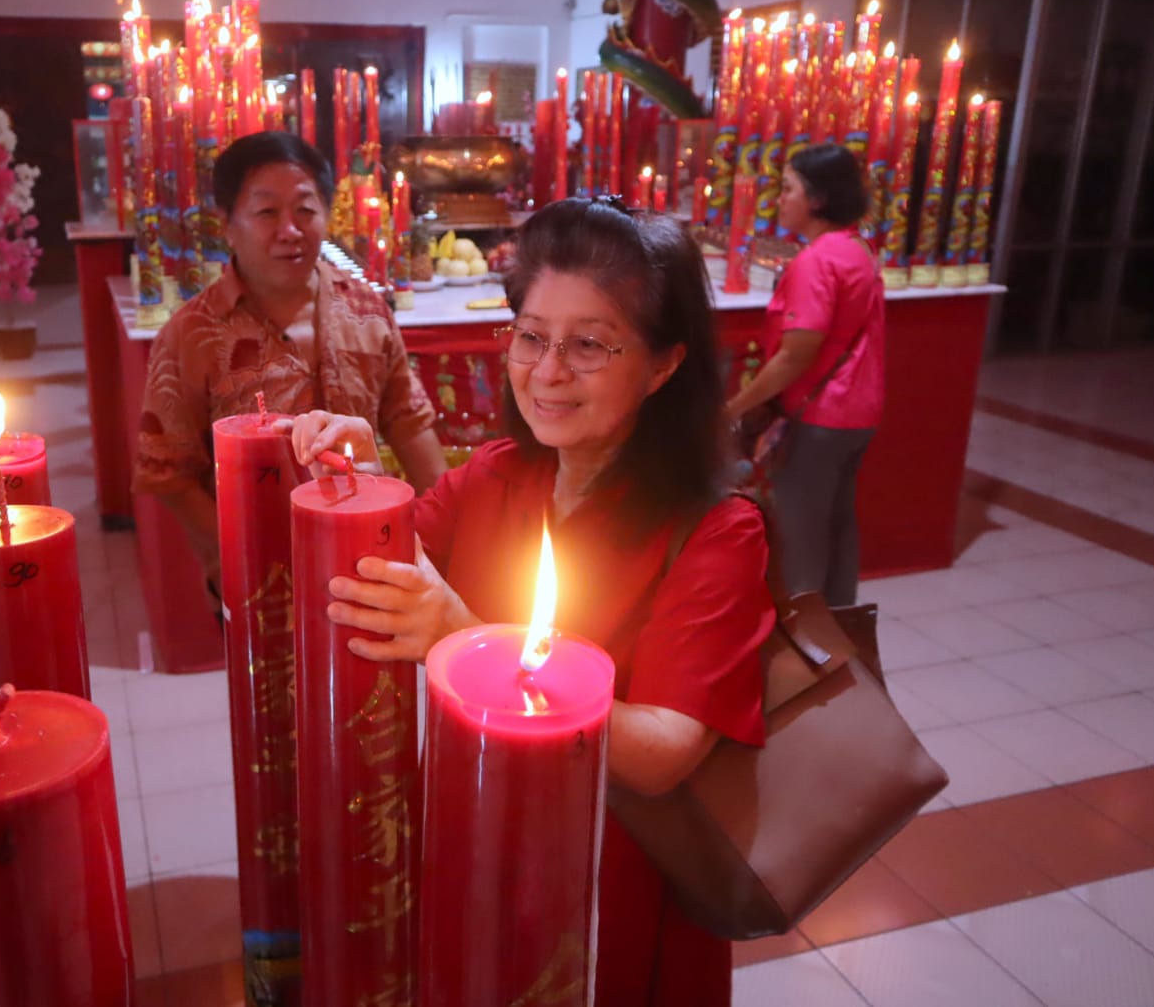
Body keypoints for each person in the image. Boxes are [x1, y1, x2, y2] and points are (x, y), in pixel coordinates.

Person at [289, 200, 775, 1005]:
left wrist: (466, 637)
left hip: (605, 876)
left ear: (662, 365)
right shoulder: (498, 474)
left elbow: (661, 753)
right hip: (473, 832)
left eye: (589, 344)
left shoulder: (718, 532)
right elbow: (393, 554)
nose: (548, 371)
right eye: (532, 336)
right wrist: (359, 475)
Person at [133, 131, 446, 588]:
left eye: (304, 209)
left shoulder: (367, 309)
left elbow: (409, 423)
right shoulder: (190, 333)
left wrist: (440, 539)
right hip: (259, 576)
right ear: (227, 224)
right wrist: (240, 554)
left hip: (367, 559)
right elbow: (168, 475)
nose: (290, 230)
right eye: (266, 212)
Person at [725, 144, 886, 606]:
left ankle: (806, 644)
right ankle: (839, 628)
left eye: (789, 188)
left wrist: (736, 406)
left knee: (801, 535)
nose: (780, 199)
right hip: (859, 412)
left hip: (820, 415)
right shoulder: (857, 249)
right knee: (838, 524)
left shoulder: (816, 262)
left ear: (816, 199)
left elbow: (797, 355)